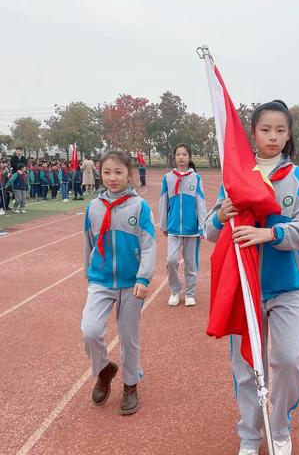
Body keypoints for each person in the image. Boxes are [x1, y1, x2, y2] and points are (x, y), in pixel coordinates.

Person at [205, 100, 299, 455]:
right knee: (246, 370)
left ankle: (280, 424)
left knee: (287, 360)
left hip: (288, 286)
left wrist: (271, 235)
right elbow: (209, 232)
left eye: (280, 130)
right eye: (265, 129)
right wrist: (221, 215)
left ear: (288, 136)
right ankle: (250, 438)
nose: (273, 136)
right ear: (252, 133)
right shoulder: (235, 175)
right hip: (245, 289)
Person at [81, 150, 156, 415]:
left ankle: (130, 384)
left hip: (131, 283)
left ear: (129, 174)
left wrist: (143, 277)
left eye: (118, 172)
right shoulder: (93, 208)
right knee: (90, 330)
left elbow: (148, 245)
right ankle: (104, 369)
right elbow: (88, 243)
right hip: (101, 281)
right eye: (107, 172)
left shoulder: (139, 207)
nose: (112, 178)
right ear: (100, 174)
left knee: (128, 337)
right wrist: (89, 274)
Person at [159, 143, 207, 307]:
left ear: (189, 157)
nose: (181, 157)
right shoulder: (168, 178)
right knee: (171, 260)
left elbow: (200, 203)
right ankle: (174, 290)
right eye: (178, 154)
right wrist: (164, 224)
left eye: (184, 154)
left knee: (190, 262)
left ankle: (190, 293)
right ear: (174, 157)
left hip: (192, 229)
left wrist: (202, 225)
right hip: (173, 228)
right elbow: (163, 202)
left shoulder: (196, 178)